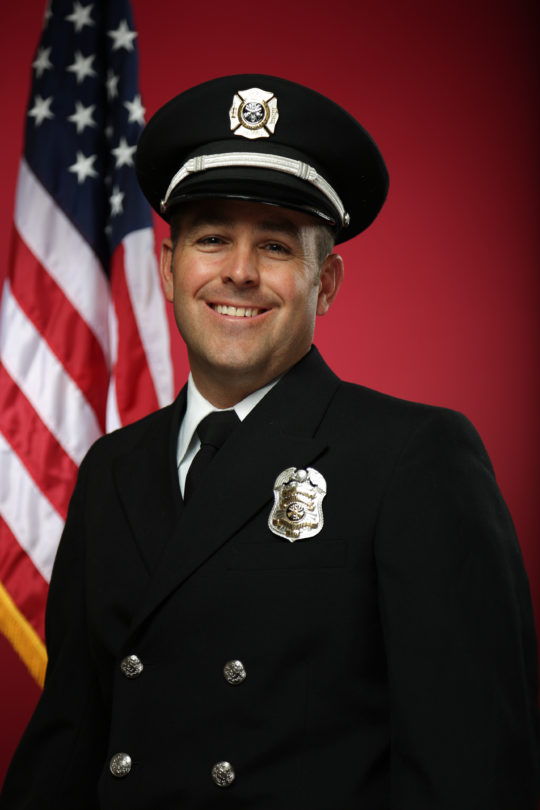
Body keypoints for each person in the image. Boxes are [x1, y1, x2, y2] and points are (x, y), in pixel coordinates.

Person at [1, 74, 539, 810]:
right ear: (169, 269)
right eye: (212, 238)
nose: (240, 272)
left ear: (326, 283)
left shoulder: (414, 458)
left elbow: (472, 771)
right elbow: (65, 748)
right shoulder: (112, 469)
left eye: (277, 245)